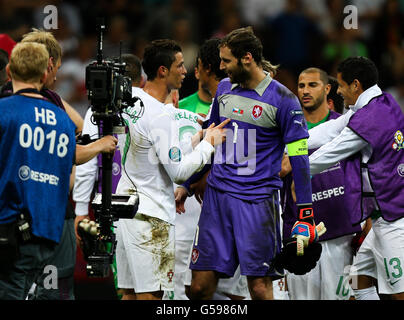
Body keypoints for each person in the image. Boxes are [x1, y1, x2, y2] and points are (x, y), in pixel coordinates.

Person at [187, 27, 324, 300]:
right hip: (218, 198)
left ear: (247, 58)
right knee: (199, 288)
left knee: (260, 288)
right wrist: (189, 183)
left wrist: (305, 211)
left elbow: (299, 157)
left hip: (258, 202)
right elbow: (211, 136)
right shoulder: (224, 89)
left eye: (226, 60)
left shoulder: (285, 100)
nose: (221, 67)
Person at [114, 39, 229, 300]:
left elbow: (155, 154)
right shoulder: (161, 115)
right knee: (152, 297)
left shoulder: (131, 102)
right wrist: (209, 145)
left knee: (129, 294)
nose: (185, 71)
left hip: (128, 211)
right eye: (179, 65)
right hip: (152, 218)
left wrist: (196, 140)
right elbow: (179, 172)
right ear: (163, 71)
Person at [14, 29, 117, 300]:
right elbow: (80, 138)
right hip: (47, 214)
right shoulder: (49, 108)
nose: (57, 74)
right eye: (56, 67)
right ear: (47, 65)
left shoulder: (20, 100)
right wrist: (101, 145)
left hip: (16, 216)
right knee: (52, 292)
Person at [308, 56, 404, 300]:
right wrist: (290, 144)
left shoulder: (368, 120)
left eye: (340, 85)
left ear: (355, 85)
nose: (338, 91)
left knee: (399, 292)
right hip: (384, 216)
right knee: (359, 283)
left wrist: (297, 165)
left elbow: (329, 153)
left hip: (394, 220)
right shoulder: (382, 103)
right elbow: (331, 129)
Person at [0, 42, 76, 300]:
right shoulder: (64, 121)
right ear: (45, 74)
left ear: (9, 71)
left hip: (8, 231)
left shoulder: (3, 110)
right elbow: (67, 175)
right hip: (49, 232)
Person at [281, 67, 362, 300]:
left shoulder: (347, 127)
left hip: (342, 232)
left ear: (327, 89)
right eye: (301, 86)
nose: (305, 91)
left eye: (312, 85)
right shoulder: (287, 130)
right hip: (300, 237)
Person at [73, 53, 145, 300]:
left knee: (125, 287)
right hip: (150, 210)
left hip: (112, 210)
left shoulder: (99, 112)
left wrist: (81, 211)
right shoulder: (158, 110)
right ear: (143, 81)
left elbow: (86, 166)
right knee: (145, 288)